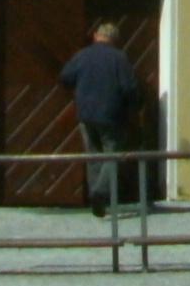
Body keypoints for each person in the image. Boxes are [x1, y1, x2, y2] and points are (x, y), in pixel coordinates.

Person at [60, 16, 144, 213]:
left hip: (86, 114)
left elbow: (65, 77)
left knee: (93, 156)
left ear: (96, 36)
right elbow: (129, 87)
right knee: (113, 155)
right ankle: (100, 192)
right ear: (114, 39)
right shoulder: (119, 58)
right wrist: (135, 107)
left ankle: (95, 197)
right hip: (111, 115)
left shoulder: (82, 55)